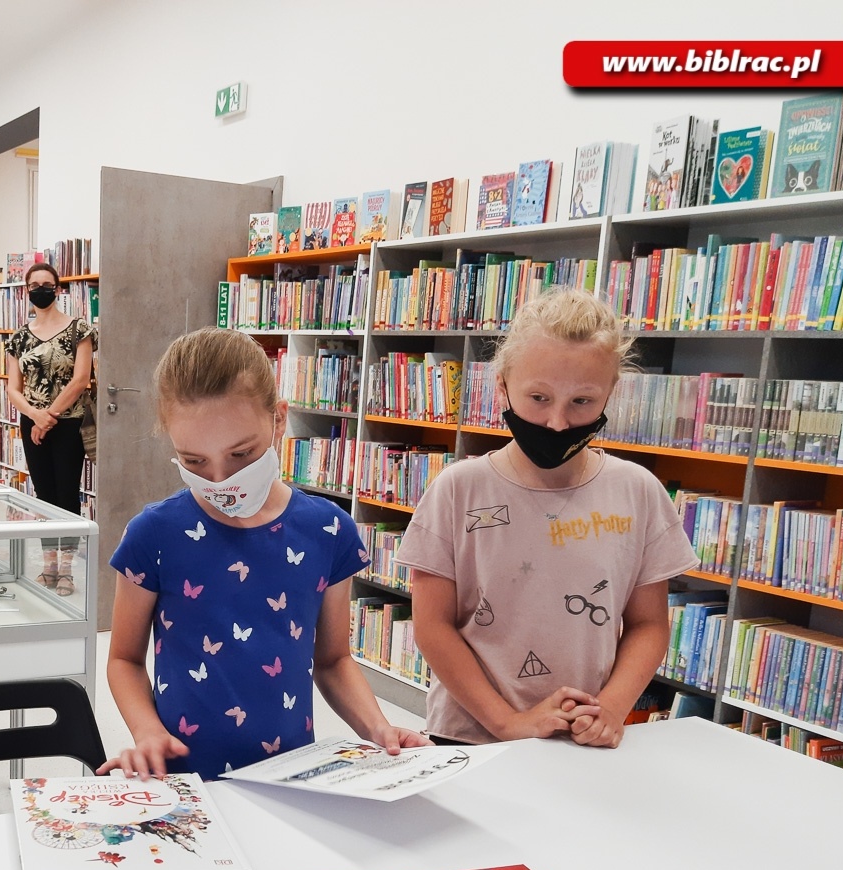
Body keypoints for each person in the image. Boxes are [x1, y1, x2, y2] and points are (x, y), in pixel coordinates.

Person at [102, 327, 430, 780]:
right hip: (185, 779)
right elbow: (123, 659)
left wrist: (379, 728)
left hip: (292, 775)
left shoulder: (327, 529)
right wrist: (146, 731)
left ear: (279, 420)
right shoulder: (153, 534)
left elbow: (333, 659)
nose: (219, 479)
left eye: (241, 453)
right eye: (194, 461)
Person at [399, 287, 698, 749]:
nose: (557, 423)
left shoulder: (638, 492)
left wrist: (611, 710)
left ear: (610, 394)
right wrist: (506, 723)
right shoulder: (457, 490)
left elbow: (648, 624)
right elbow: (432, 626)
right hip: (471, 737)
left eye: (581, 402)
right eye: (538, 397)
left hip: (581, 741)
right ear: (502, 386)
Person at [2, 261, 94, 595]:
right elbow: (13, 387)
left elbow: (81, 379)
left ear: (57, 289)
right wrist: (35, 417)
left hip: (68, 424)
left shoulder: (79, 330)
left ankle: (67, 571)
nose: (40, 289)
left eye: (47, 283)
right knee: (44, 496)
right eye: (34, 284)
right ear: (26, 291)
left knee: (67, 496)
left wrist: (49, 416)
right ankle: (48, 566)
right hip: (32, 423)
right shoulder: (18, 339)